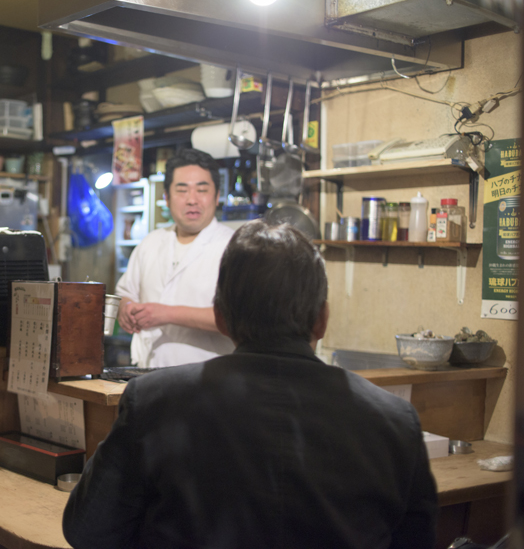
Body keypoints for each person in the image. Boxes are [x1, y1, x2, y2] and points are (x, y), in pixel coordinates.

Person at [63, 221, 438, 549]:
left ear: (222, 319)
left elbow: (89, 532)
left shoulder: (155, 401)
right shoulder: (395, 420)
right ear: (322, 319)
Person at [116, 148, 235, 369]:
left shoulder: (234, 248)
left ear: (217, 196)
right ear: (167, 198)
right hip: (148, 373)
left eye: (202, 189)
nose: (192, 200)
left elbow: (239, 319)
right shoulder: (150, 243)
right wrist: (126, 309)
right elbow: (125, 293)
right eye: (182, 190)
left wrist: (167, 313)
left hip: (210, 381)